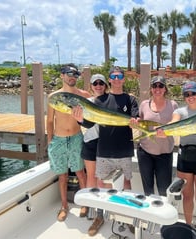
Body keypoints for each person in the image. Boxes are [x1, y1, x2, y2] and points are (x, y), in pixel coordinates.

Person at [74, 66, 138, 236]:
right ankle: (99, 216)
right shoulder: (100, 100)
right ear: (110, 80)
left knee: (126, 184)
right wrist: (80, 119)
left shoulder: (130, 100)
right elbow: (89, 124)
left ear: (124, 79)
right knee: (101, 185)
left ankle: (127, 217)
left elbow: (136, 117)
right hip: (103, 151)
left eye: (120, 76)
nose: (116, 79)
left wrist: (136, 122)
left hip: (124, 149)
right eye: (113, 76)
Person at [157, 81, 196, 239]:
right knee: (187, 197)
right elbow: (173, 122)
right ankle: (188, 229)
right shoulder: (180, 112)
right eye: (186, 94)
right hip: (185, 159)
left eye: (193, 93)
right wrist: (164, 130)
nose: (190, 97)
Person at [46, 63, 90, 222]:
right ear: (62, 76)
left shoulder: (84, 94)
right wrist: (50, 141)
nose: (72, 77)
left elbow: (94, 113)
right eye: (68, 74)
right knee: (62, 175)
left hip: (76, 137)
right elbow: (50, 121)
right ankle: (64, 206)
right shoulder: (54, 97)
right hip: (58, 139)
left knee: (80, 173)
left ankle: (85, 203)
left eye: (75, 74)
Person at [131, 76, 178, 196]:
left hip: (165, 154)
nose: (158, 89)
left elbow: (176, 127)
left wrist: (166, 131)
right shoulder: (144, 104)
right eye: (154, 86)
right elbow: (141, 123)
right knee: (148, 190)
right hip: (145, 153)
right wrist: (135, 125)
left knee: (164, 190)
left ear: (165, 89)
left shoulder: (173, 105)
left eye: (161, 86)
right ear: (151, 89)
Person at [79, 74, 108, 216]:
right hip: (90, 141)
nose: (98, 85)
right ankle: (91, 207)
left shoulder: (110, 101)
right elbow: (86, 123)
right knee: (91, 176)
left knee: (102, 178)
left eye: (101, 83)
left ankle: (101, 211)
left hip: (106, 143)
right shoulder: (86, 102)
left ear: (105, 85)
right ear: (91, 86)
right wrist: (79, 120)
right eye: (95, 83)